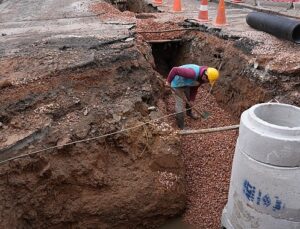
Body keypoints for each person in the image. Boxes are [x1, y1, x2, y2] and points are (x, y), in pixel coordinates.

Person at [165, 64, 219, 129]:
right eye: (208, 81)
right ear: (205, 76)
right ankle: (181, 126)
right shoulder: (192, 73)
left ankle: (189, 113)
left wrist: (192, 100)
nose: (207, 82)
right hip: (177, 84)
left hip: (186, 83)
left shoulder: (202, 78)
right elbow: (174, 70)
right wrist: (168, 81)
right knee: (179, 105)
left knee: (189, 100)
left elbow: (194, 88)